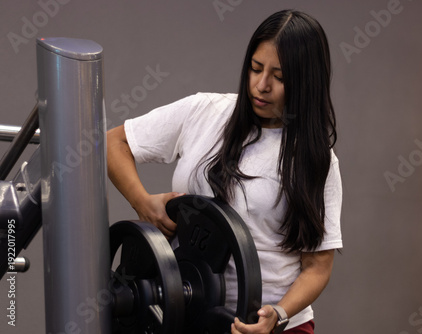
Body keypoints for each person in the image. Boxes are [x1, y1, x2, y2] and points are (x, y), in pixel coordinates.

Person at [107, 9, 342, 334]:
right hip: (185, 314)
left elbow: (317, 267)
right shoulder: (205, 112)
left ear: (305, 82)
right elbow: (113, 143)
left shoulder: (316, 159)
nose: (261, 85)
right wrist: (142, 202)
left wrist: (278, 314)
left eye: (280, 77)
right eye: (256, 68)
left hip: (267, 327)